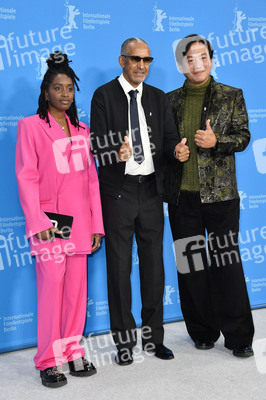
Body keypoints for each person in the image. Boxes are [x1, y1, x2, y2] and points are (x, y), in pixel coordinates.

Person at [90, 37, 189, 366]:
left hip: (151, 191)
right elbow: (96, 145)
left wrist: (177, 151)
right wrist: (113, 152)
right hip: (118, 191)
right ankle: (123, 341)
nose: (142, 66)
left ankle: (153, 338)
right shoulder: (103, 96)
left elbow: (171, 138)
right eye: (135, 59)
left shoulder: (158, 98)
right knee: (118, 269)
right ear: (122, 61)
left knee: (153, 267)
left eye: (147, 60)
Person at [15, 52, 104, 387]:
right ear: (46, 91)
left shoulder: (83, 130)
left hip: (79, 224)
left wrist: (96, 224)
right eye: (58, 88)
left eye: (69, 88)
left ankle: (71, 351)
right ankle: (47, 360)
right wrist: (39, 222)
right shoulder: (30, 126)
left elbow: (91, 180)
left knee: (76, 293)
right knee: (52, 292)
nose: (65, 94)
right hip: (49, 227)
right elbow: (26, 178)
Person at [164, 34, 254, 357]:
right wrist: (175, 152)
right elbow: (164, 145)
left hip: (221, 197)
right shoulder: (170, 100)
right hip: (182, 198)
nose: (197, 63)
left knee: (226, 264)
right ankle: (201, 331)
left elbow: (243, 136)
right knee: (191, 266)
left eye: (202, 56)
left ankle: (240, 337)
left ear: (211, 59)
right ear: (181, 64)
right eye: (190, 58)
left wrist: (217, 141)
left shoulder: (231, 95)